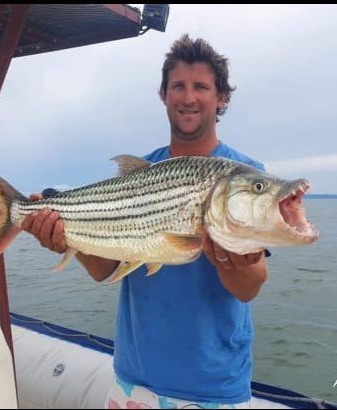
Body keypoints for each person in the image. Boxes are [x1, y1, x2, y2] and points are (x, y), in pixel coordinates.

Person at [21, 34, 269, 409]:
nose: (188, 97)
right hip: (132, 381)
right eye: (178, 87)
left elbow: (248, 288)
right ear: (164, 95)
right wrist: (66, 236)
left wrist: (228, 252)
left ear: (222, 97)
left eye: (201, 86)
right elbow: (107, 269)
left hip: (213, 388)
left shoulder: (244, 176)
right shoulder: (139, 170)